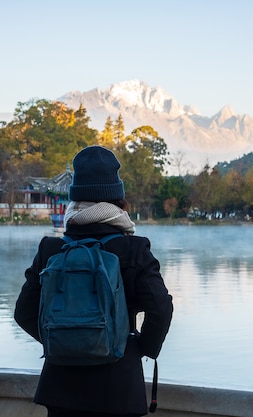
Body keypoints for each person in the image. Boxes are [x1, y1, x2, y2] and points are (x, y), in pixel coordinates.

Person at [15, 146, 174, 417]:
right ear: (117, 199)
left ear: (75, 198)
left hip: (60, 390)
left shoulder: (51, 250)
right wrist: (141, 348)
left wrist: (63, 339)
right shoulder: (134, 250)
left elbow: (23, 313)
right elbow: (161, 308)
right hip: (118, 391)